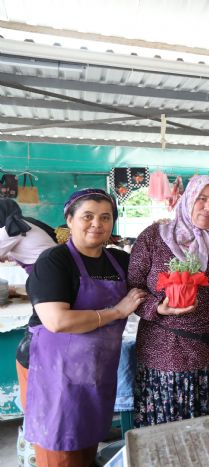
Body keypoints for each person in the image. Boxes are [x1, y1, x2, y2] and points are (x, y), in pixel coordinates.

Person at [16, 189, 146, 467]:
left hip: (95, 371)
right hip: (52, 373)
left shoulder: (119, 261)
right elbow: (57, 321)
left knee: (87, 446)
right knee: (60, 451)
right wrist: (117, 311)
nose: (97, 224)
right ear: (70, 219)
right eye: (87, 216)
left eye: (105, 217)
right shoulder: (54, 261)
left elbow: (145, 292)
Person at [128, 175, 209, 427]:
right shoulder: (154, 237)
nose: (208, 207)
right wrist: (158, 308)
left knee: (206, 429)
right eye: (201, 199)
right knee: (164, 430)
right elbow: (132, 287)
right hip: (162, 354)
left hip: (208, 353)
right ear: (187, 199)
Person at [0, 199, 57, 273]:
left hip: (46, 268)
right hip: (53, 264)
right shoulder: (23, 223)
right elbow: (27, 249)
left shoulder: (11, 228)